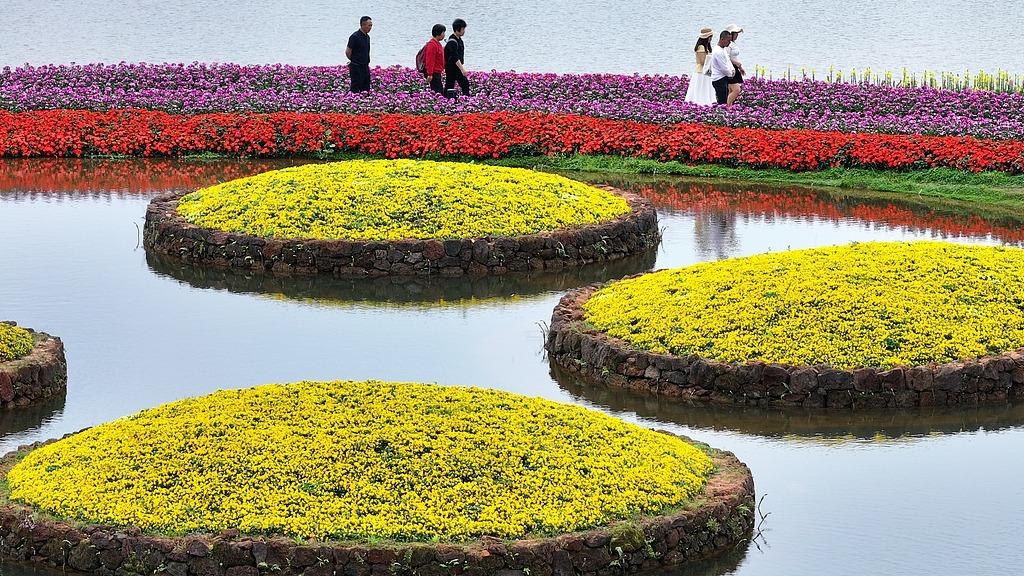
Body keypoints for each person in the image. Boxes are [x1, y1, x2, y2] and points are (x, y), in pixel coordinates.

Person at [683, 27, 716, 106]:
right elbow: (702, 61)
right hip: (701, 71)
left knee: (706, 87)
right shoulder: (701, 47)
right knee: (701, 87)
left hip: (707, 70)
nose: (711, 38)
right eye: (710, 36)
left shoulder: (706, 46)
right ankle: (701, 102)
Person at [346, 16, 373, 93]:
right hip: (356, 67)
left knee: (366, 88)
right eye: (369, 25)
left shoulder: (367, 37)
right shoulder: (354, 37)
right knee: (355, 88)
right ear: (363, 25)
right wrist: (354, 60)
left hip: (365, 66)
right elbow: (348, 52)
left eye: (371, 25)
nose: (370, 27)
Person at [444, 18, 470, 97]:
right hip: (452, 68)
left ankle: (450, 99)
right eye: (463, 29)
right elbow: (455, 57)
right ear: (457, 29)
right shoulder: (452, 41)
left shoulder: (459, 40)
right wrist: (462, 69)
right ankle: (448, 100)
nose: (464, 31)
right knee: (453, 85)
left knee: (461, 84)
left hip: (456, 67)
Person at [709, 30, 735, 105]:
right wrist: (730, 74)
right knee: (722, 101)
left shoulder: (722, 49)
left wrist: (732, 69)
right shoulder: (718, 51)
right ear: (722, 39)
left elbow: (728, 60)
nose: (729, 43)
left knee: (725, 99)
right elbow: (724, 68)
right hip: (719, 79)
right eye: (728, 40)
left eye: (730, 41)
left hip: (723, 78)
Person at [725, 24, 745, 105]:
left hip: (735, 68)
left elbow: (734, 57)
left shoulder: (733, 43)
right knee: (737, 90)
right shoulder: (728, 44)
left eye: (737, 33)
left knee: (731, 90)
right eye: (735, 33)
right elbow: (726, 57)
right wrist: (737, 64)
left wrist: (740, 67)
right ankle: (727, 107)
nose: (737, 35)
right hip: (730, 68)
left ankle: (729, 106)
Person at [425, 24, 447, 94]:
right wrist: (430, 74)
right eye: (443, 33)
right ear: (438, 33)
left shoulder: (438, 44)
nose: (444, 35)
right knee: (438, 92)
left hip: (438, 72)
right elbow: (430, 60)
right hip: (434, 73)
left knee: (439, 91)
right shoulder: (432, 44)